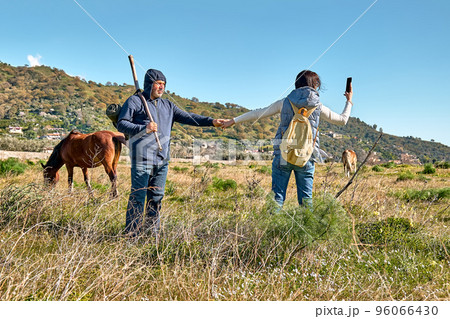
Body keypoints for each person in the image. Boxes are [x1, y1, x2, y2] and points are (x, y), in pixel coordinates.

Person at [117, 69, 226, 236]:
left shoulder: (168, 105)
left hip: (162, 159)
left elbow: (190, 117)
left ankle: (152, 235)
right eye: (158, 83)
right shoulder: (135, 101)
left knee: (156, 198)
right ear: (149, 84)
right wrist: (143, 128)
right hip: (142, 158)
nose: (162, 87)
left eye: (164, 84)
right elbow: (122, 124)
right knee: (138, 197)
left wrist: (212, 122)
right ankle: (131, 235)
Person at [222, 70, 353, 208]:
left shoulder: (284, 102)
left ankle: (273, 228)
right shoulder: (318, 106)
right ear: (315, 85)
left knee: (276, 198)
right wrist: (349, 101)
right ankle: (304, 229)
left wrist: (233, 121)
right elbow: (342, 120)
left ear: (297, 84)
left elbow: (259, 113)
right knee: (306, 201)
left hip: (283, 154)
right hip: (307, 156)